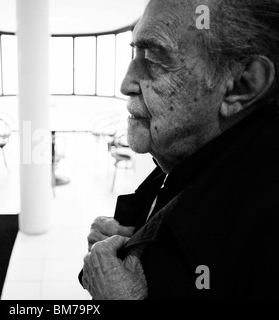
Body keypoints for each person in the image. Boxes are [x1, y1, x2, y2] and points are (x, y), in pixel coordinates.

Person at [80, 0, 279, 299]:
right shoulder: (189, 159)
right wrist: (128, 242)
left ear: (242, 84)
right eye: (136, 53)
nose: (126, 84)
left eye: (156, 59)